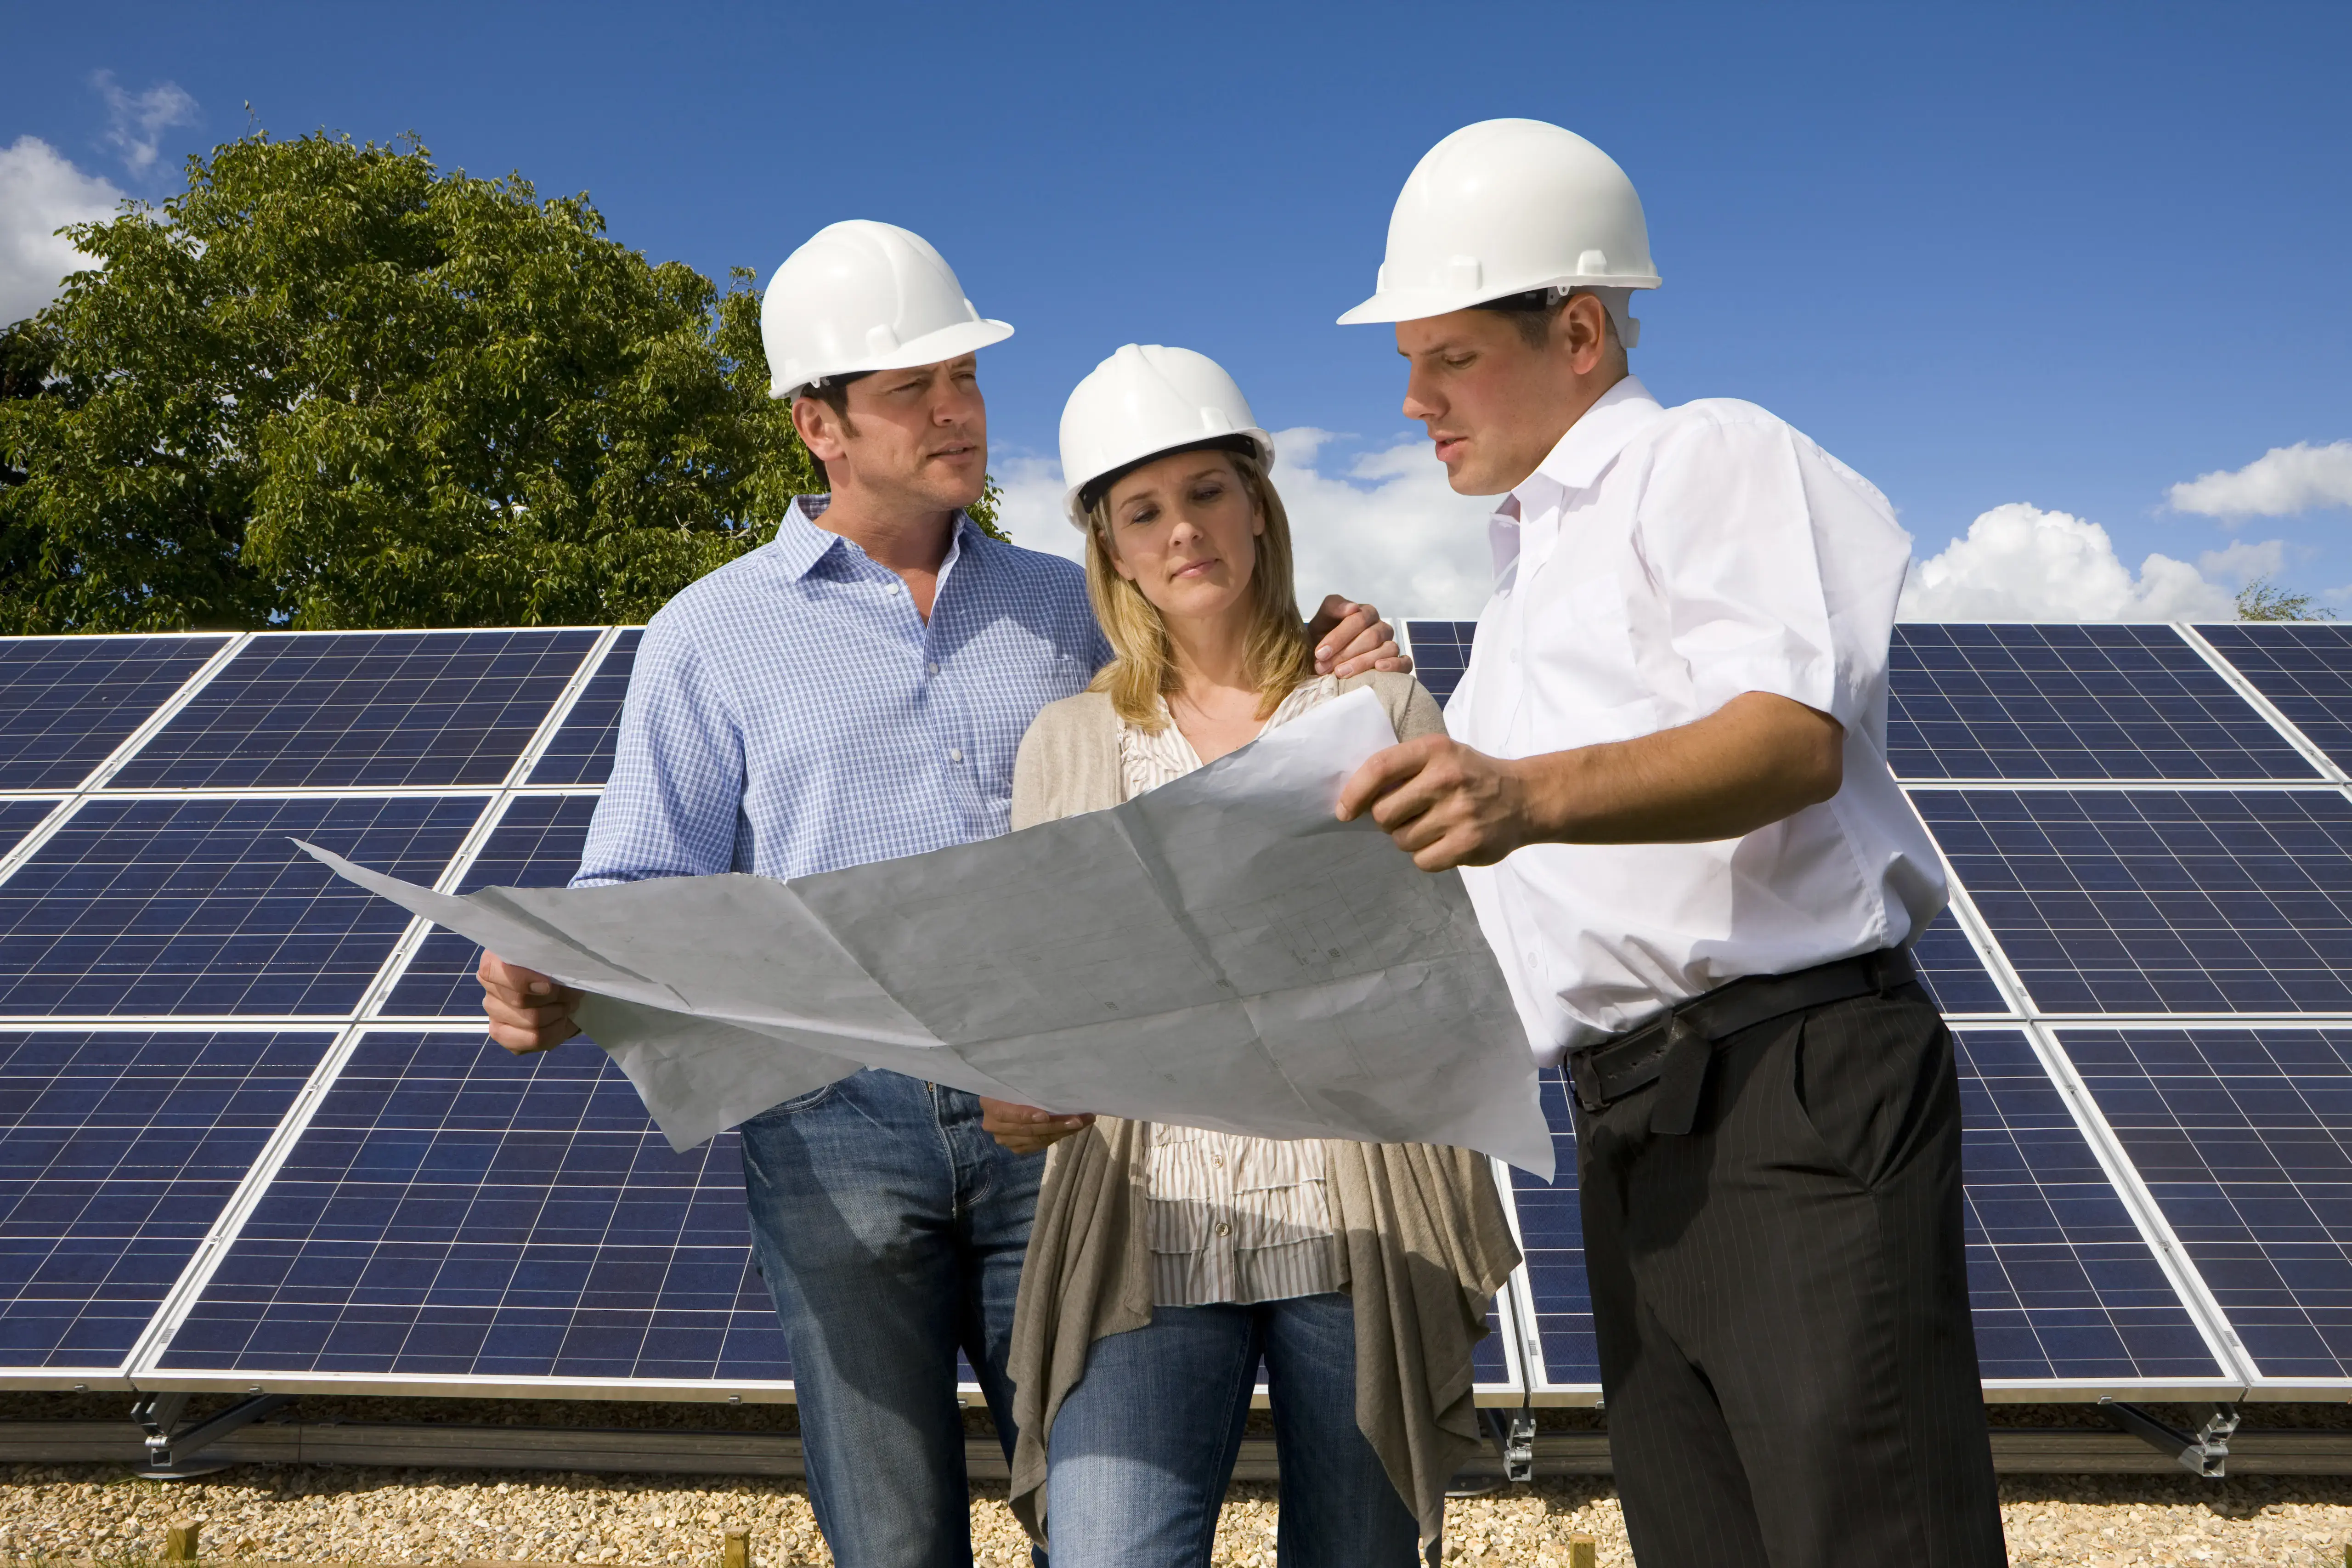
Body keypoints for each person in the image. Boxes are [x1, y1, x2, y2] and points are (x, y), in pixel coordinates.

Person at [473, 222, 1408, 1568]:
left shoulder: (1069, 604)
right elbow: (640, 878)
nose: (957, 409)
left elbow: (1211, 695)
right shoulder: (709, 635)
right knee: (891, 1522)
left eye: (963, 377)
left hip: (1069, 1126)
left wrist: (1332, 650)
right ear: (818, 423)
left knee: (1095, 1510)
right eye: (913, 389)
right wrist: (550, 966)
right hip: (831, 1125)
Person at [1332, 121, 2007, 1567]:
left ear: (1578, 329)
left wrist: (1518, 798)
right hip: (1631, 1124)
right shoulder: (1522, 587)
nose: (1411, 399)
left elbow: (1787, 739)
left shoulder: (1707, 459)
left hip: (1788, 1092)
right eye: (1407, 362)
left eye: (1447, 357)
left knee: (1865, 1540)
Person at [976, 344, 1520, 1568]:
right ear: (1111, 550)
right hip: (1147, 1224)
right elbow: (1031, 1000)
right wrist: (1013, 1096)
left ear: (1260, 506)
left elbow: (1467, 959)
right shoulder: (1065, 746)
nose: (1183, 531)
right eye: (1144, 511)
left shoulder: (1374, 709)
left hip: (1354, 1220)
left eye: (1207, 491)